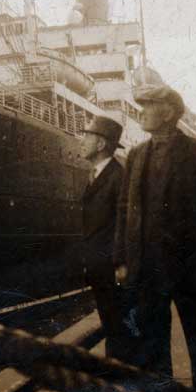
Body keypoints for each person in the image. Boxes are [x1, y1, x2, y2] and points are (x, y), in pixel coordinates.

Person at [114, 84, 196, 392]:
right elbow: (124, 212)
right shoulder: (136, 156)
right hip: (147, 268)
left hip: (190, 268)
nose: (142, 111)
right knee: (152, 340)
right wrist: (121, 259)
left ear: (168, 112)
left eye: (149, 105)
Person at [80, 115, 126, 360]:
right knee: (112, 325)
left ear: (100, 145)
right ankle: (116, 373)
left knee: (117, 327)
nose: (81, 140)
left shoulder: (117, 176)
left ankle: (119, 380)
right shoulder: (100, 174)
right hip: (101, 266)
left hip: (111, 268)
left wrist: (120, 263)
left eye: (87, 136)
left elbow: (123, 224)